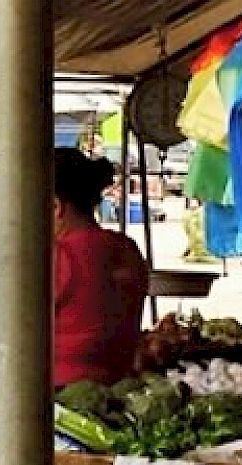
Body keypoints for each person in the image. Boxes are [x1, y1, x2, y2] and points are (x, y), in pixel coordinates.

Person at [50, 148, 151, 386]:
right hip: (119, 390)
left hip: (60, 398)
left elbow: (8, 340)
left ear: (56, 207)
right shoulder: (128, 249)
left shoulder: (56, 258)